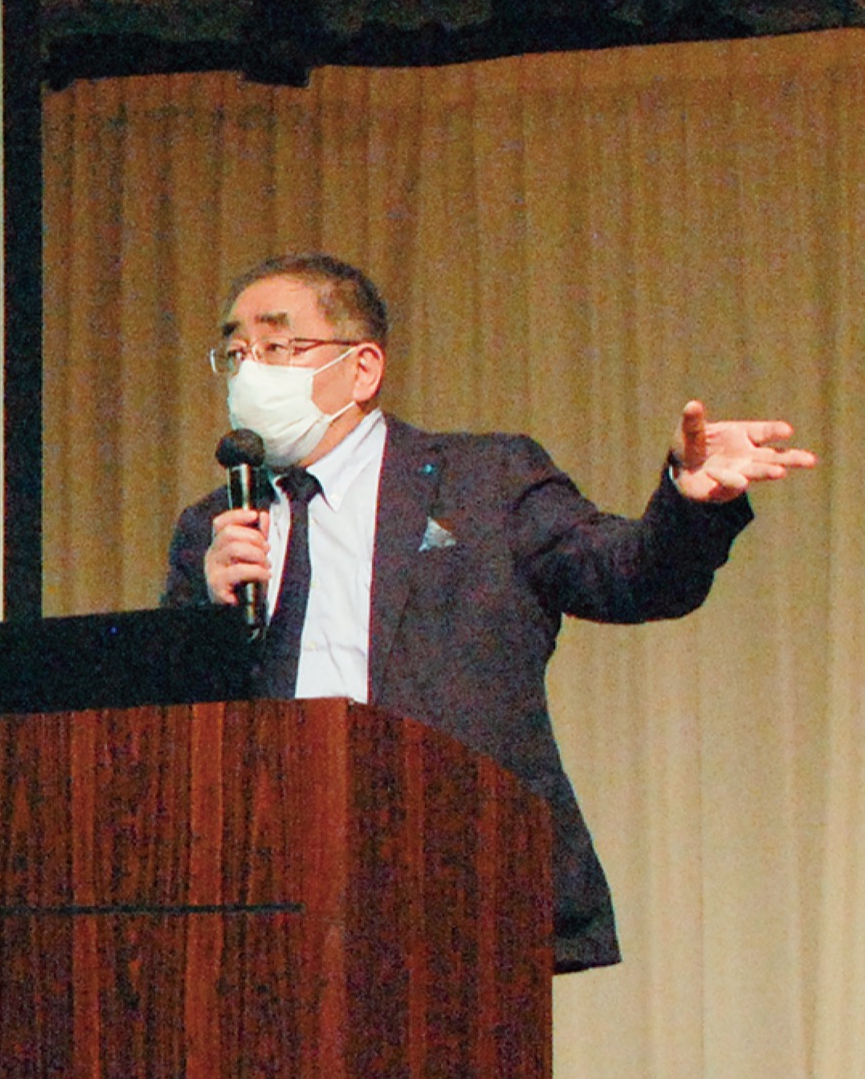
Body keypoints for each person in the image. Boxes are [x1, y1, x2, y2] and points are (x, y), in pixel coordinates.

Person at [161, 252, 817, 973]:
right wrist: (207, 614)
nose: (251, 370)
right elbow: (170, 723)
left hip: (459, 883)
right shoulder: (214, 526)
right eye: (236, 353)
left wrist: (688, 502)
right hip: (272, 894)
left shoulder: (484, 483)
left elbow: (629, 577)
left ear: (362, 368)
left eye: (278, 345)